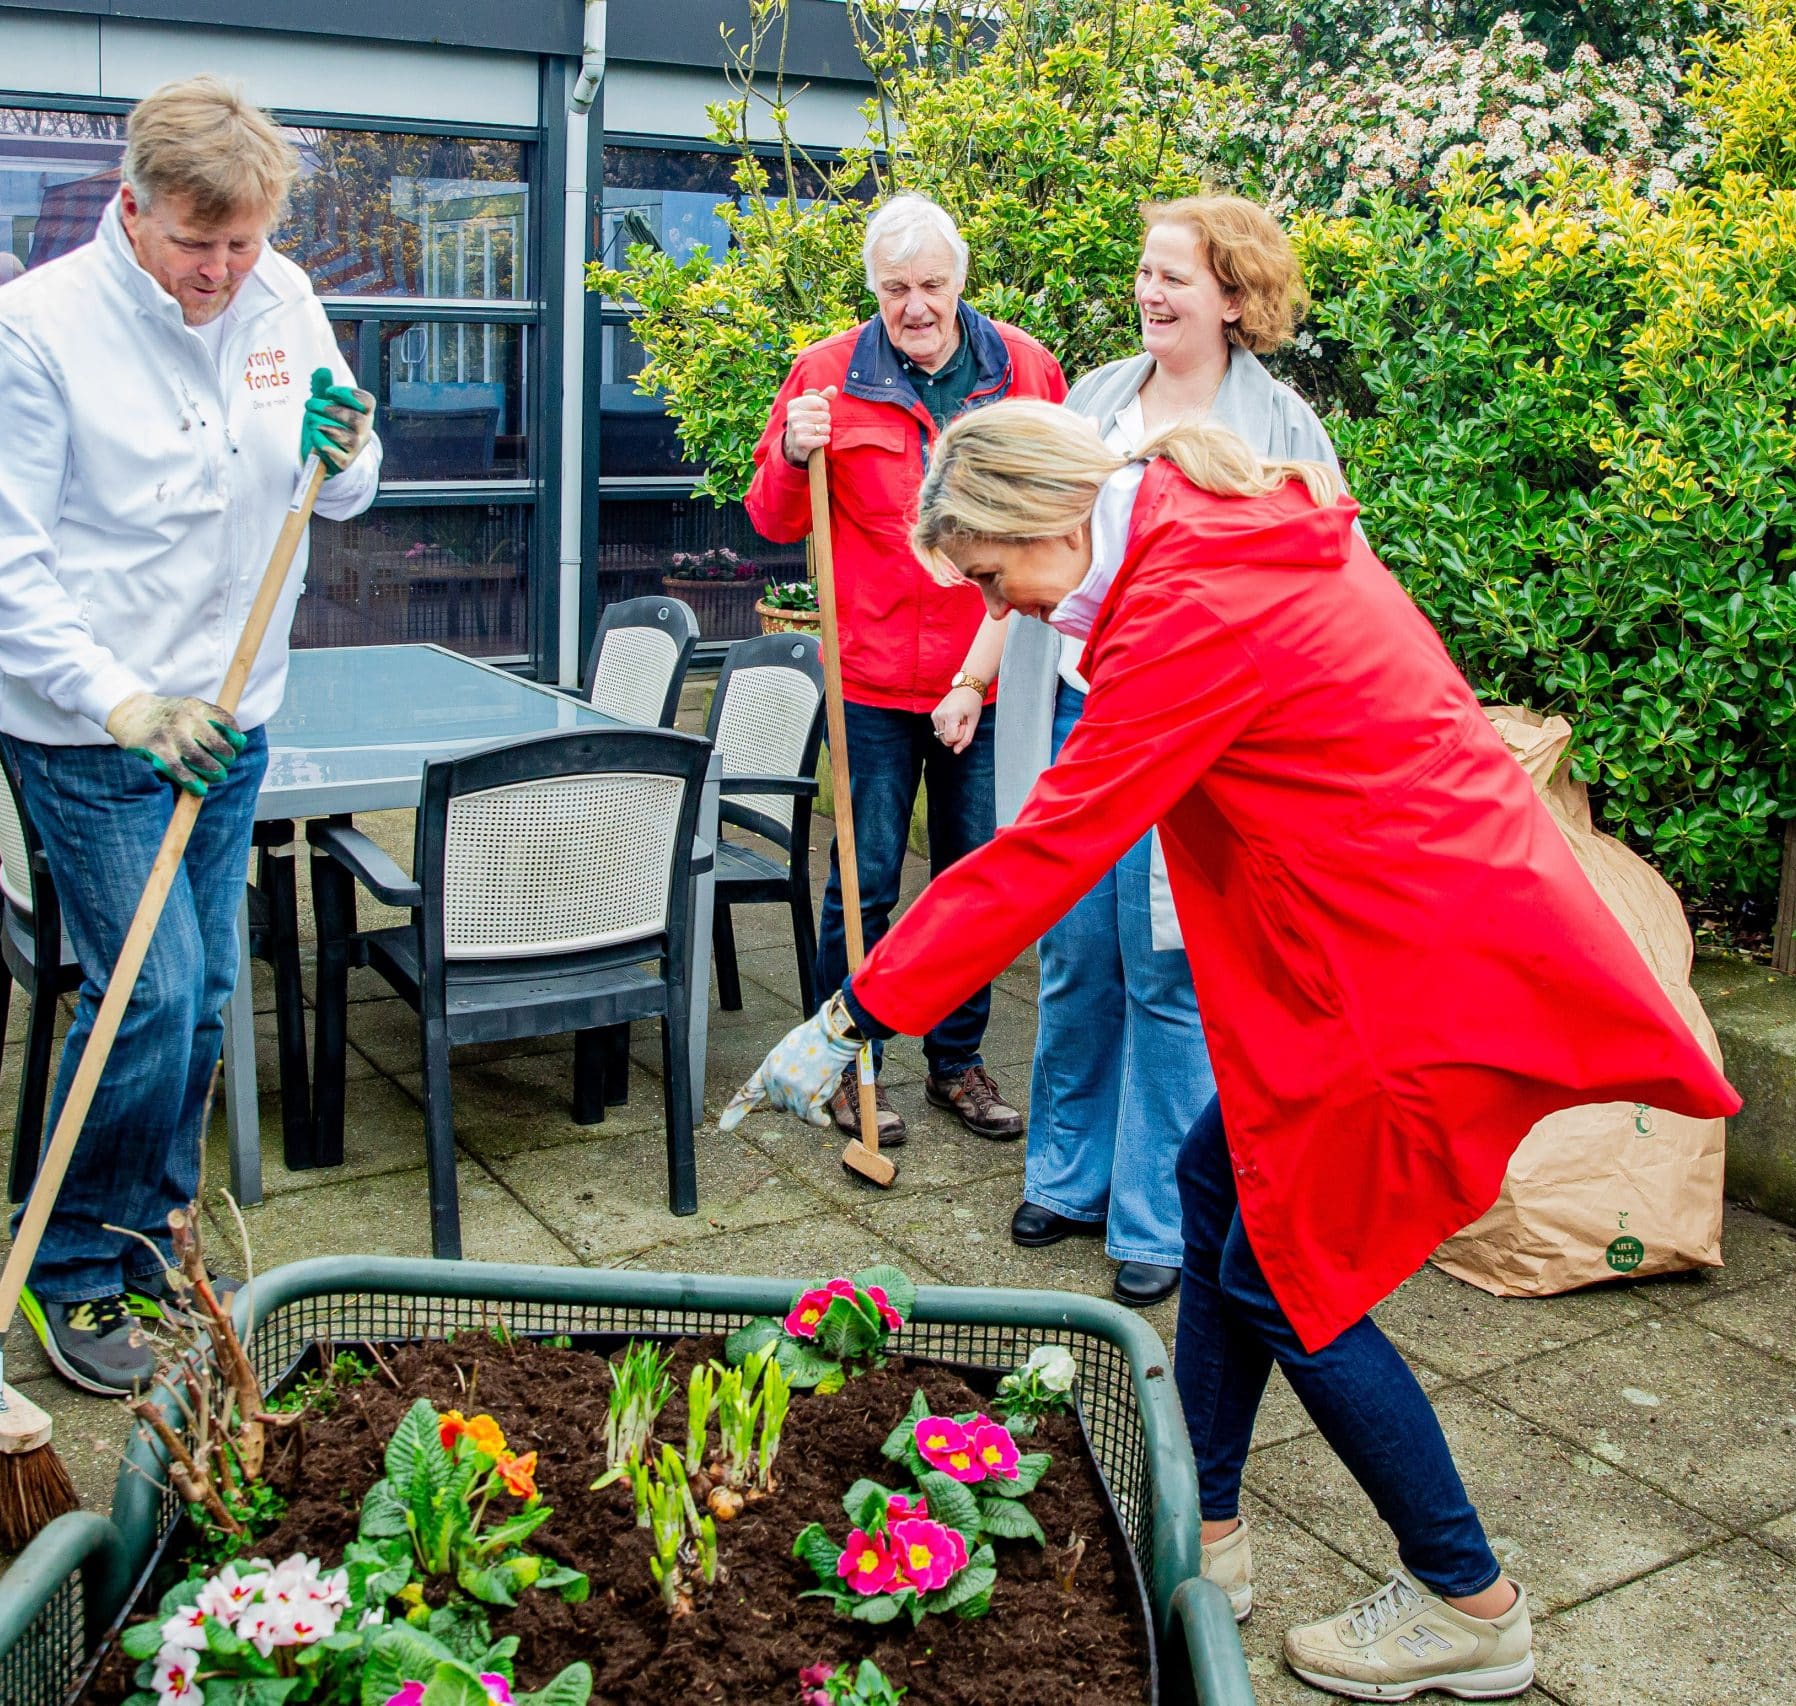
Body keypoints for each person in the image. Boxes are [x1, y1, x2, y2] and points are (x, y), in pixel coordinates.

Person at [723, 402, 1739, 1700]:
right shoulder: (1190, 530)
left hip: (1388, 974)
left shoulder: (1188, 608)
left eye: (991, 577)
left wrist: (856, 1010)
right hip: (1392, 932)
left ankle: (1469, 1600)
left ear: (1047, 519)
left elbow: (1049, 848)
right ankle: (1206, 1528)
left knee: (1286, 1277)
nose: (1008, 610)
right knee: (1218, 1185)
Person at [0, 75, 381, 1397]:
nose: (222, 270)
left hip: (234, 706)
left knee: (198, 1002)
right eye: (199, 244)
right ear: (129, 207)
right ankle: (75, 1264)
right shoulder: (31, 331)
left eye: (243, 243)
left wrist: (349, 442)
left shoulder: (282, 295)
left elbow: (347, 483)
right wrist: (124, 702)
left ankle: (151, 1236)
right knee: (151, 993)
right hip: (101, 726)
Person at [956, 196, 1342, 1307]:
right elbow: (1018, 550)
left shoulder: (1280, 427)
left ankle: (1154, 1212)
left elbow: (1315, 590)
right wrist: (976, 672)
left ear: (1234, 295)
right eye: (1144, 271)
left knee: (1170, 969)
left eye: (1175, 275)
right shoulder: (1093, 401)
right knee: (1077, 953)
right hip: (1086, 717)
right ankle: (1065, 1178)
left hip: (1198, 743)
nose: (1151, 292)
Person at [743, 193, 1066, 1145]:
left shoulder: (1023, 369)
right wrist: (793, 452)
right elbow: (773, 520)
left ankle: (956, 1062)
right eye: (895, 290)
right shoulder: (826, 375)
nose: (915, 307)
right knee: (864, 878)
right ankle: (845, 1060)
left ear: (960, 281)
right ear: (874, 289)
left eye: (931, 286)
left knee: (977, 879)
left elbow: (1064, 509)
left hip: (992, 673)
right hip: (875, 678)